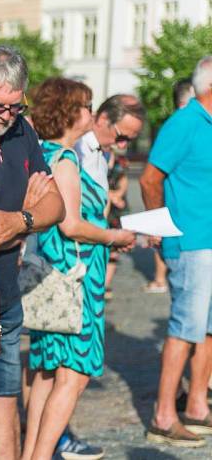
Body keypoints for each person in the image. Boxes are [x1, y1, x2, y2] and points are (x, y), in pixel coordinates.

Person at [22, 78, 136, 460]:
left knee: (45, 371)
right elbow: (70, 224)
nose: (91, 112)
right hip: (77, 274)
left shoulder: (42, 150)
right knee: (74, 375)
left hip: (50, 273)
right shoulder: (66, 158)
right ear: (71, 114)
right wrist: (113, 237)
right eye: (86, 106)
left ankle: (29, 455)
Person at [0, 46, 66, 460]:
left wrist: (20, 220)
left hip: (6, 292)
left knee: (3, 393)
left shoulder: (23, 130)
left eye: (14, 105)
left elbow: (54, 206)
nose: (5, 115)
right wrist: (12, 219)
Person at [141, 56, 212, 448]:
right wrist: (159, 228)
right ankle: (164, 415)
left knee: (207, 330)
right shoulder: (185, 122)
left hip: (210, 242)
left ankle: (197, 406)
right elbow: (151, 178)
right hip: (191, 244)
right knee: (185, 329)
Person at [74, 94, 144, 303]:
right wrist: (111, 236)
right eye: (121, 137)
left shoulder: (104, 153)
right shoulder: (75, 149)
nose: (123, 145)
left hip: (95, 255)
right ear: (103, 119)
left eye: (130, 141)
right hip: (74, 260)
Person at [145, 78, 195, 294]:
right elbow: (149, 179)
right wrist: (156, 223)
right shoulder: (181, 123)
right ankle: (159, 278)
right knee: (189, 320)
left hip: (195, 230)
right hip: (186, 234)